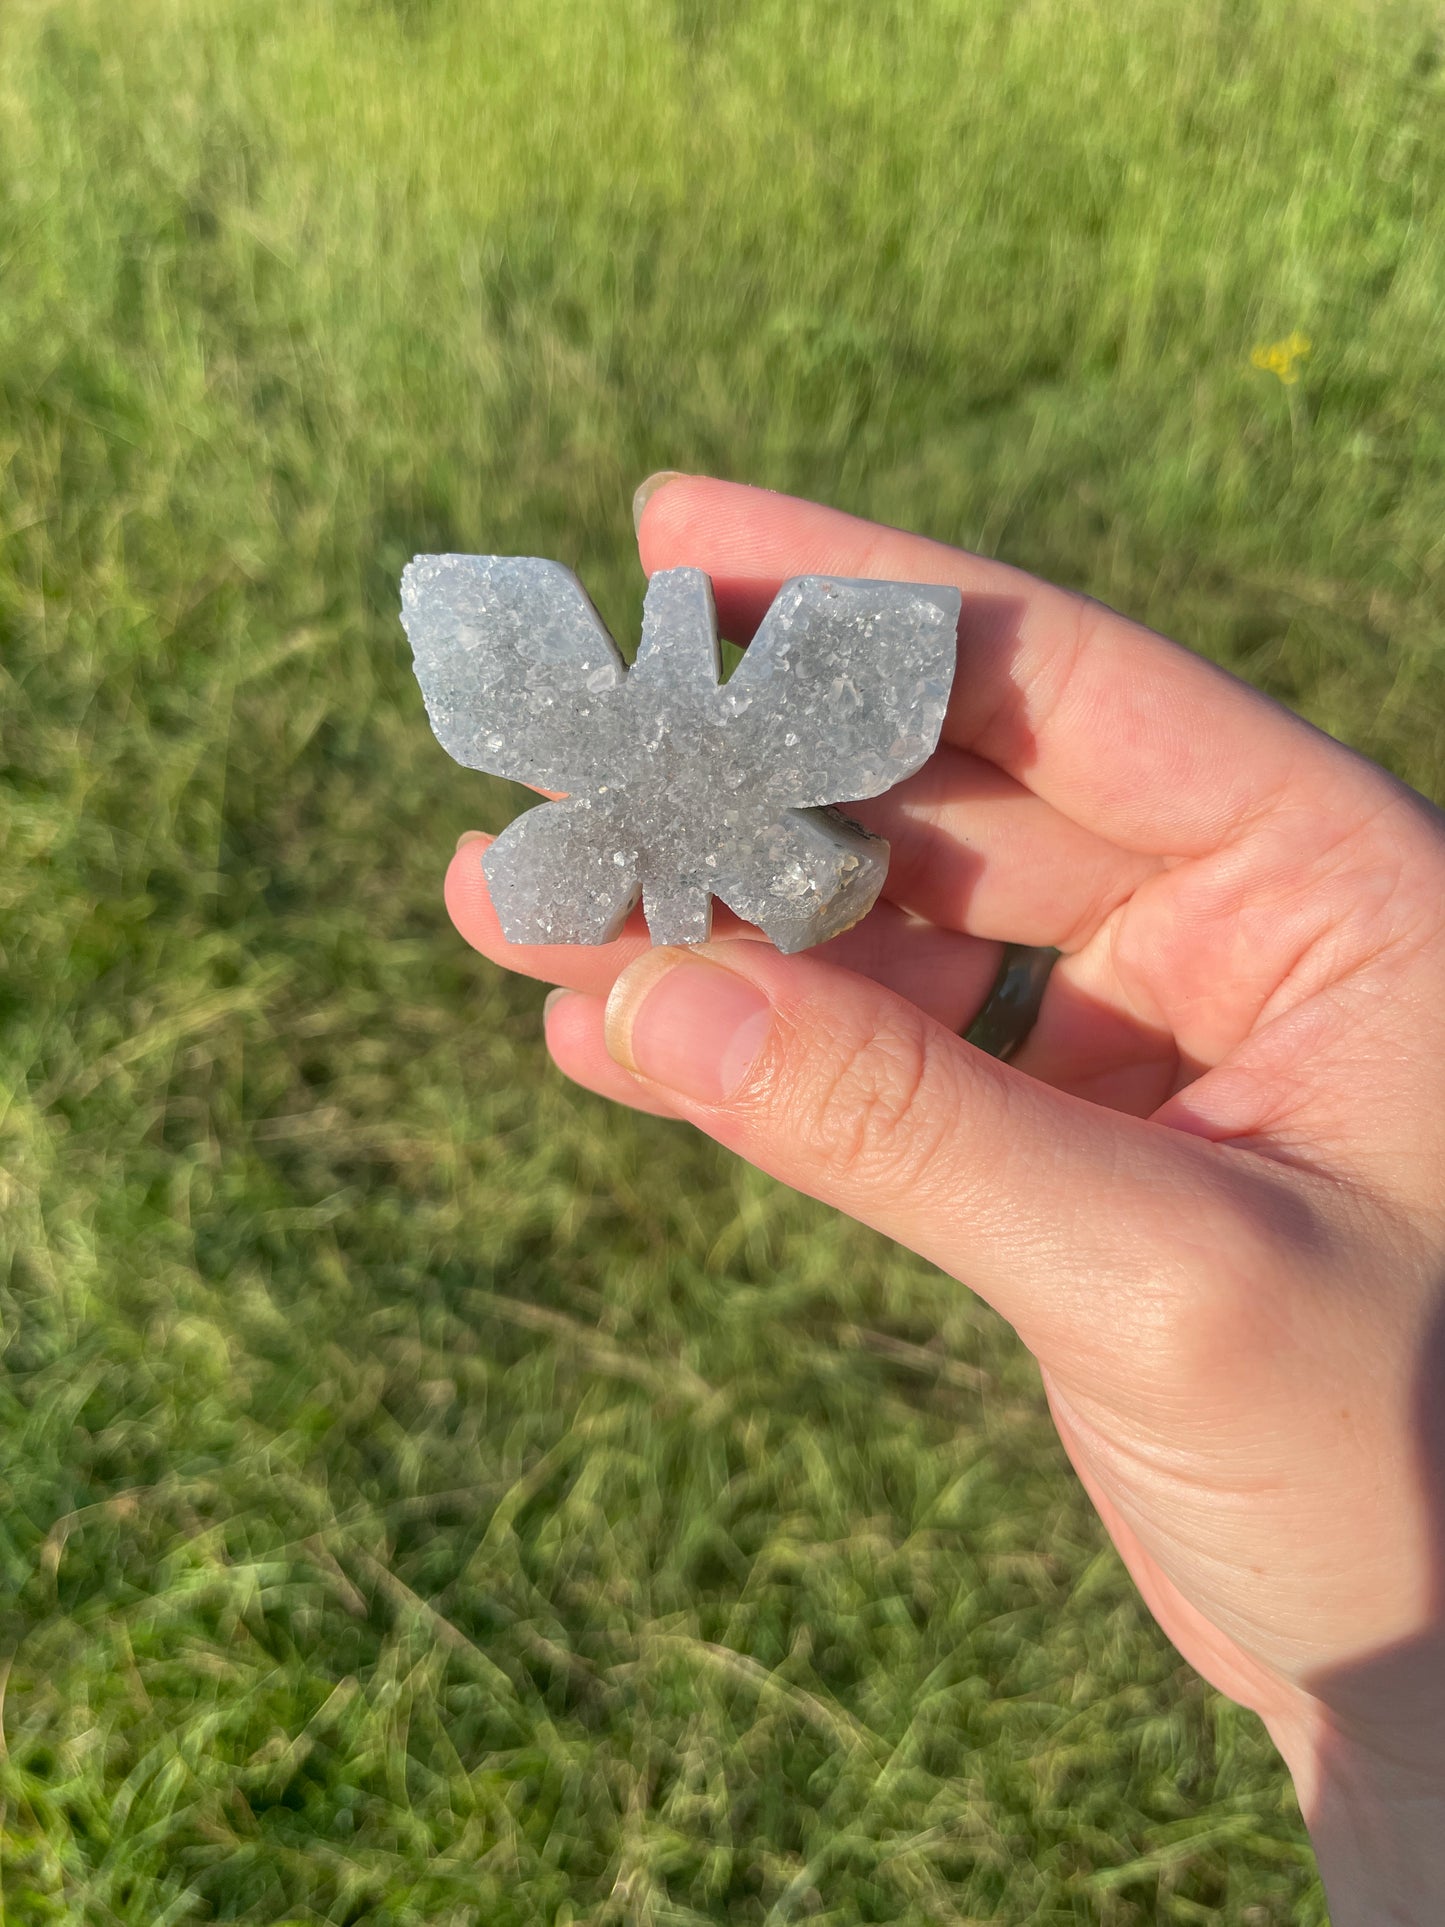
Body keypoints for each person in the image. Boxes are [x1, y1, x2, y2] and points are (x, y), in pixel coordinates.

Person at [445, 474, 1445, 1923]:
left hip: (727, 858)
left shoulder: (551, 679)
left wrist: (1405, 1757)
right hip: (737, 852)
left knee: (691, 900)